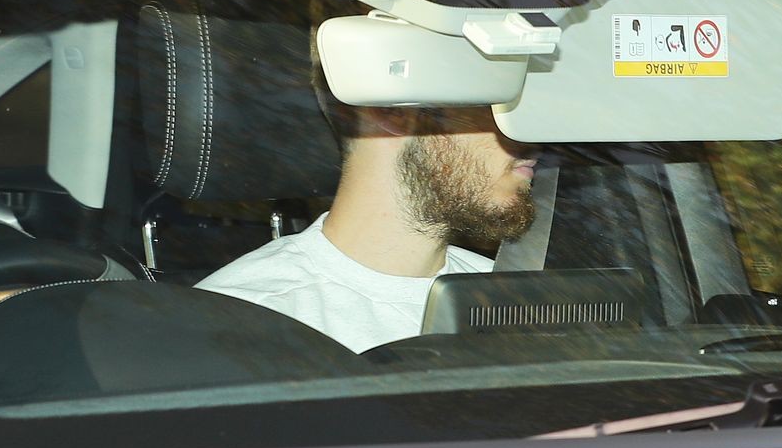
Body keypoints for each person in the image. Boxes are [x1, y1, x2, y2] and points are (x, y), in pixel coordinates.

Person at [197, 97, 537, 352]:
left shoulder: (527, 298)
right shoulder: (243, 330)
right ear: (392, 108)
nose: (536, 138)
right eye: (504, 99)